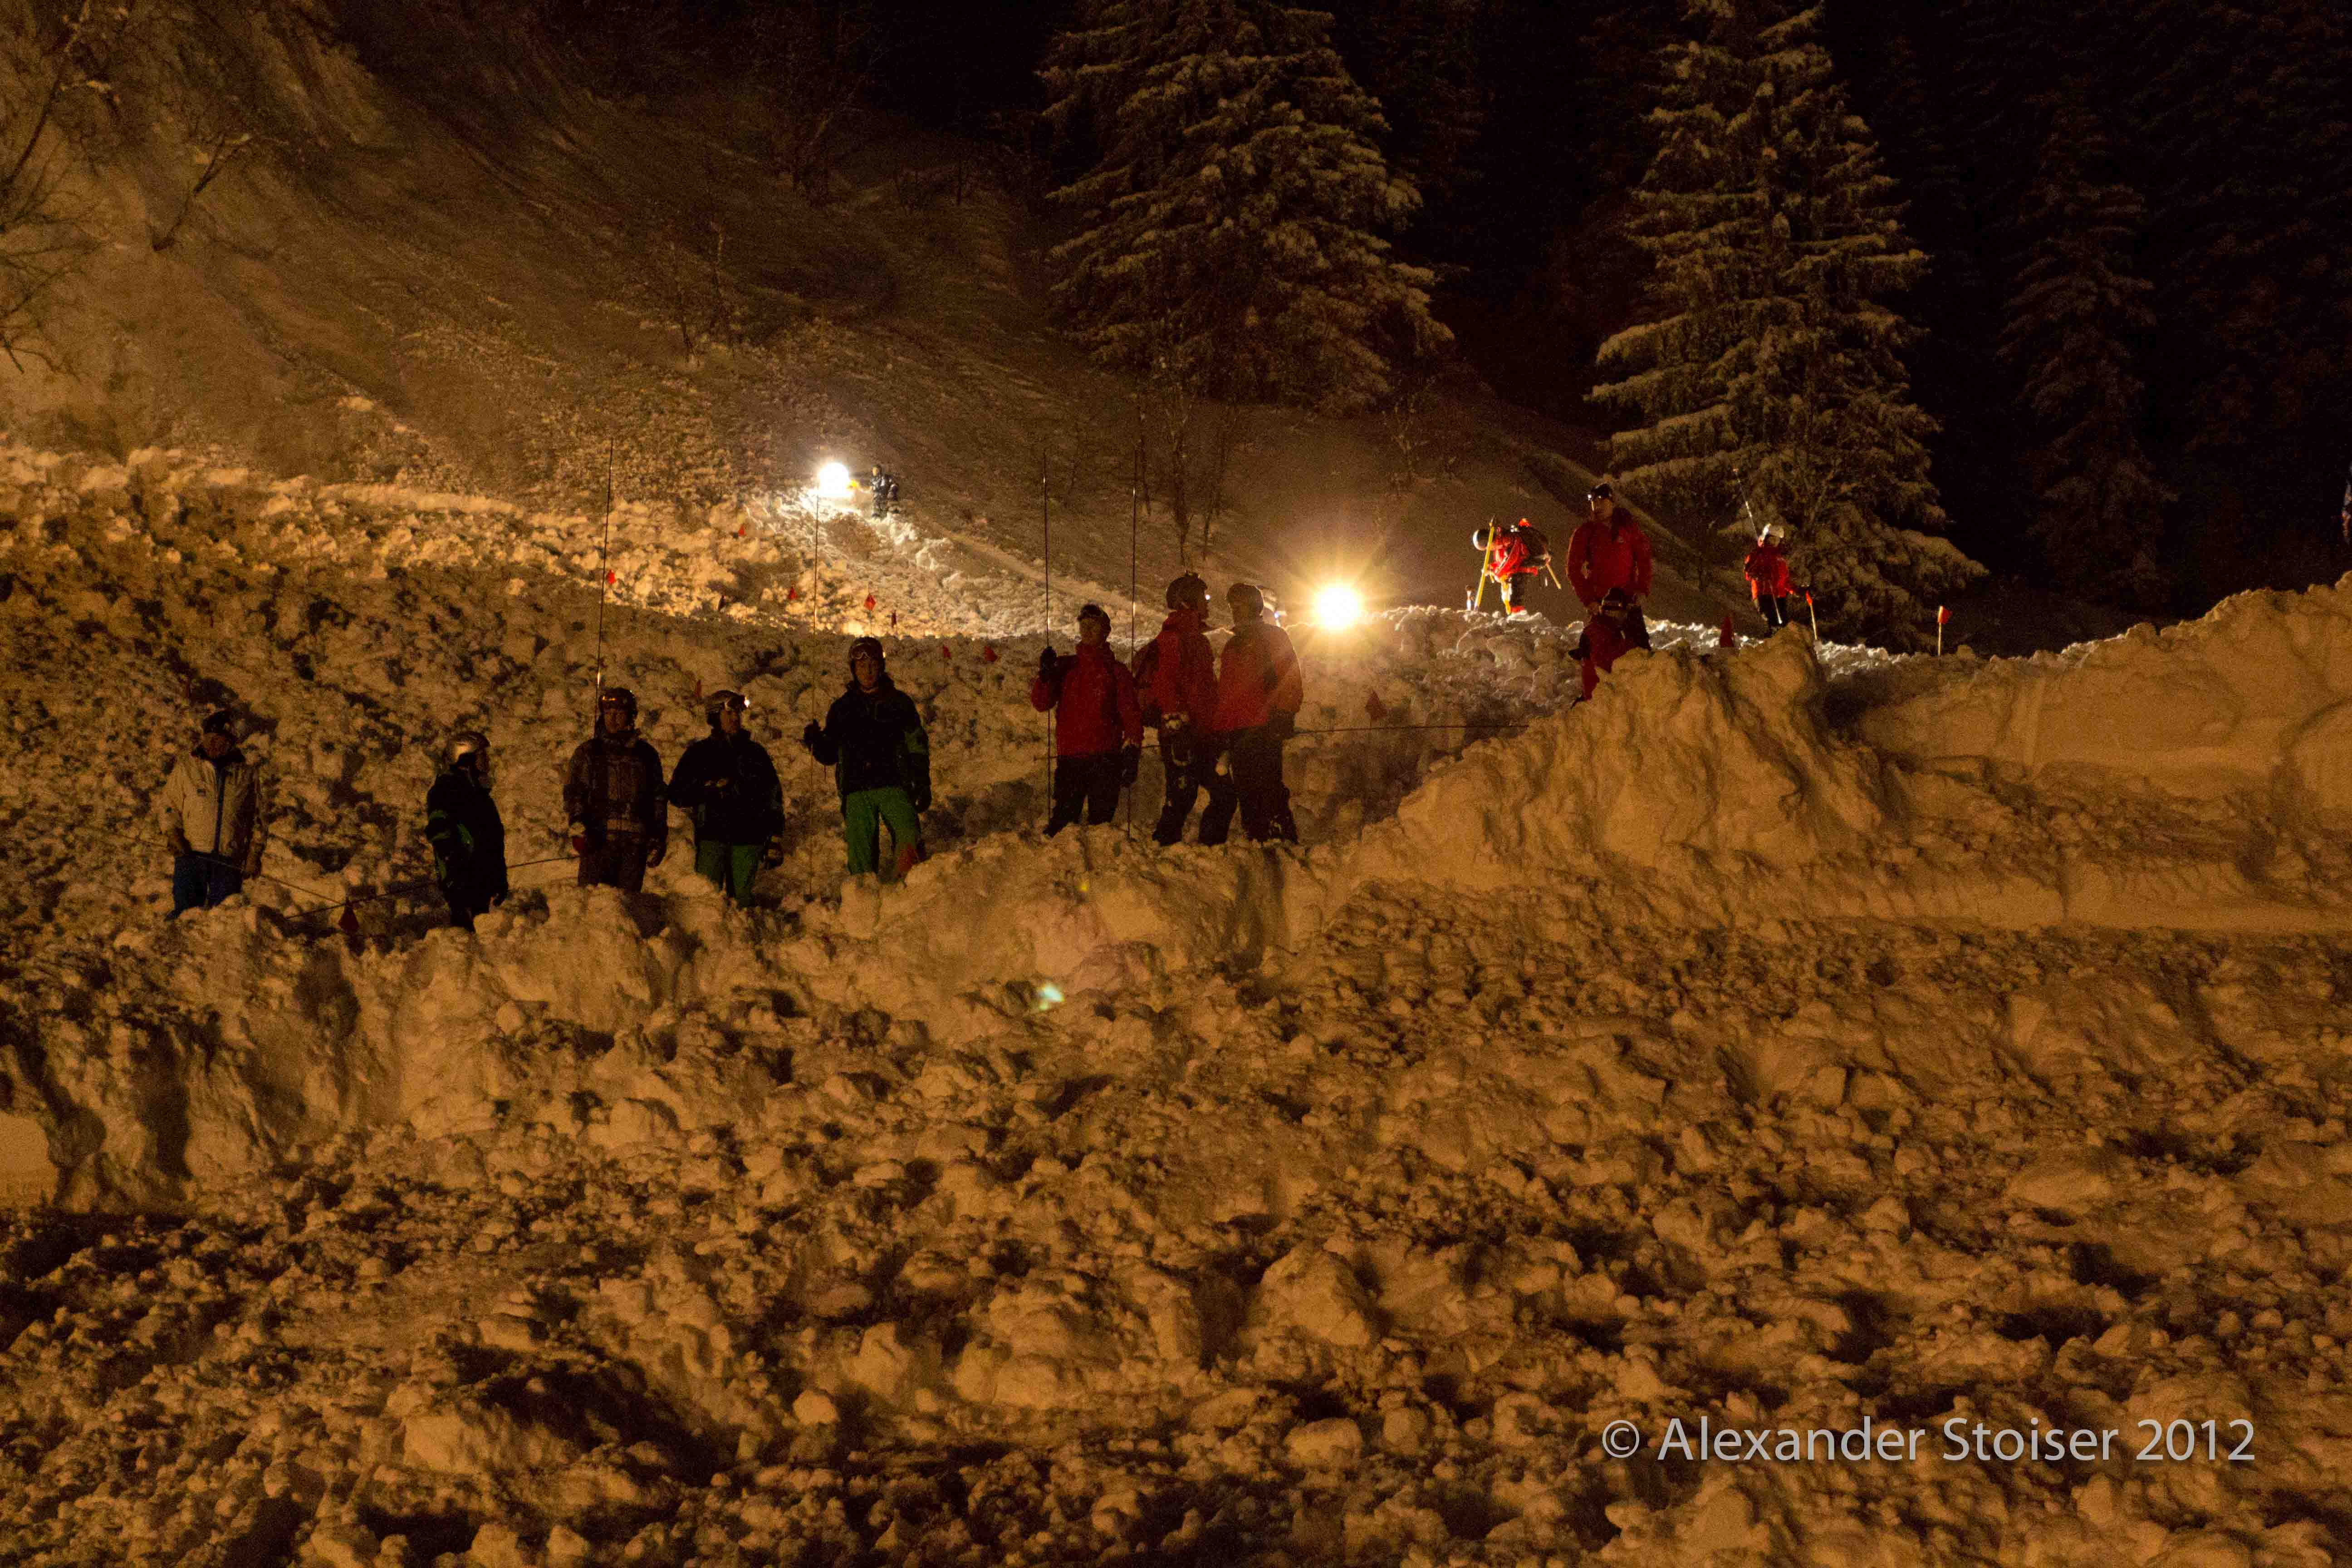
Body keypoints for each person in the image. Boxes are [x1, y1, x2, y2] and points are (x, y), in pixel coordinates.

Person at [802, 637, 931, 880]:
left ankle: (910, 888)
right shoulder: (842, 708)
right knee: (860, 853)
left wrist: (922, 782)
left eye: (873, 664)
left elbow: (917, 746)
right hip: (857, 789)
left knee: (908, 836)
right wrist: (815, 741)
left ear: (881, 666)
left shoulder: (899, 703)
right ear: (854, 669)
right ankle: (863, 894)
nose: (868, 671)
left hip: (894, 783)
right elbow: (830, 755)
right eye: (862, 666)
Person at [1200, 582, 1303, 845]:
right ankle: (1257, 839)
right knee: (1247, 790)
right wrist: (1221, 730)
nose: (1235, 612)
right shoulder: (1233, 646)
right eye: (1233, 607)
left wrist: (1284, 714)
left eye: (1241, 606)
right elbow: (1227, 692)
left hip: (1265, 726)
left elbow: (1290, 676)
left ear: (1256, 607)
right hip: (1238, 731)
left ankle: (1282, 842)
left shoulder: (1273, 637)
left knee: (1269, 787)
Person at [1032, 604, 1144, 834]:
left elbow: (1130, 713)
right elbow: (1041, 703)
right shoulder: (1065, 667)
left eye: (1094, 626)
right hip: (1071, 760)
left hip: (1105, 759)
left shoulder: (1117, 672)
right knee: (1063, 825)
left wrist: (1133, 748)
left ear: (1106, 632)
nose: (1088, 630)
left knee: (1101, 828)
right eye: (1084, 625)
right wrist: (1045, 676)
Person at [668, 690, 784, 906]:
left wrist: (775, 838)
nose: (736, 718)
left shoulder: (755, 754)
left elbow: (773, 796)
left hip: (749, 838)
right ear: (715, 716)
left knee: (742, 902)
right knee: (706, 900)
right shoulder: (699, 753)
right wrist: (707, 790)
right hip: (712, 836)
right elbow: (676, 793)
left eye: (738, 713)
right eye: (729, 713)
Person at [1136, 573, 1226, 846]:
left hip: (1202, 733)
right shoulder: (1174, 637)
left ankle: (1210, 850)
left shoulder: (1197, 639)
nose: (1207, 602)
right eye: (1203, 597)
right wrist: (1176, 727)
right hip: (1182, 734)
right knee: (1182, 797)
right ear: (1187, 601)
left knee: (1222, 793)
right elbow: (1166, 683)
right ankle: (1163, 847)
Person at [563, 687, 667, 892]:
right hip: (598, 844)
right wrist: (578, 825)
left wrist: (658, 836)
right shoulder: (589, 752)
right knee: (594, 902)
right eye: (608, 713)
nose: (613, 719)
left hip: (634, 847)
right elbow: (575, 792)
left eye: (619, 713)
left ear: (631, 716)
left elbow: (658, 798)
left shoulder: (646, 755)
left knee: (627, 904)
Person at [162, 710, 263, 916]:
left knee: (225, 918)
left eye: (220, 739)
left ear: (231, 742)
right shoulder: (187, 768)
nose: (214, 744)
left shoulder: (246, 775)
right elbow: (169, 805)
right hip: (191, 855)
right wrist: (173, 834)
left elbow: (258, 818)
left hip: (229, 860)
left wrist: (254, 854)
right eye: (210, 738)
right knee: (186, 916)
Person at [425, 730, 508, 931]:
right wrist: (454, 869)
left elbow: (493, 841)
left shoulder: (481, 796)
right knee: (463, 935)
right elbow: (439, 832)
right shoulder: (446, 790)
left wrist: (499, 878)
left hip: (482, 880)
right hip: (461, 880)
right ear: (466, 759)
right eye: (481, 757)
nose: (486, 762)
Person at [1566, 478, 1653, 640]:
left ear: (1612, 503)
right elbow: (1573, 569)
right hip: (1600, 604)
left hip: (1628, 601)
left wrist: (1642, 590)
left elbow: (1644, 560)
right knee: (1600, 648)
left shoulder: (1628, 529)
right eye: (1594, 502)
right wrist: (1589, 600)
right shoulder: (1585, 532)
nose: (1597, 506)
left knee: (1638, 648)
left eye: (1602, 501)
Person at [1573, 587, 1652, 699]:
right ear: (1615, 613)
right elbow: (1612, 664)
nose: (1626, 617)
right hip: (1600, 700)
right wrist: (1635, 640)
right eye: (1624, 613)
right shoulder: (1597, 631)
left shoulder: (1606, 629)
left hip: (1604, 696)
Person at [1473, 518, 1550, 615]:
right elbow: (1501, 563)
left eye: (1487, 548)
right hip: (1515, 571)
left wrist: (1496, 573)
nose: (1489, 550)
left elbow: (1510, 559)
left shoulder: (1507, 539)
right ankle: (1515, 615)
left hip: (1523, 568)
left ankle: (1518, 616)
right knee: (1509, 598)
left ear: (1488, 543)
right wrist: (1491, 567)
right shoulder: (1499, 545)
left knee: (1515, 598)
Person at [1744, 524, 1793, 629]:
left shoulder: (1780, 559)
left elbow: (1785, 581)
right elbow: (1749, 572)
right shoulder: (1758, 554)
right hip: (1764, 594)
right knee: (1773, 622)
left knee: (1785, 626)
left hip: (1779, 596)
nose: (1775, 543)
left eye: (1777, 540)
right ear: (1766, 539)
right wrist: (1761, 574)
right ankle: (1771, 635)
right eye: (1772, 539)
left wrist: (1796, 590)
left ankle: (1779, 638)